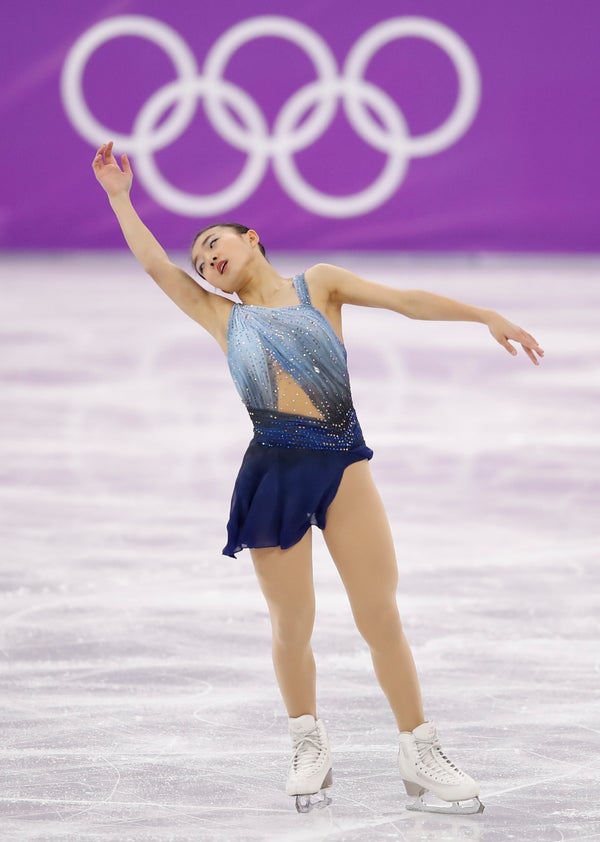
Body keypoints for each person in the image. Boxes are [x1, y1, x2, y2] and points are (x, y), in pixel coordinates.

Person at [92, 140, 544, 815]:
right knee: (291, 624)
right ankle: (307, 741)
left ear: (251, 239)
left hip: (342, 465)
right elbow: (157, 265)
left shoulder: (320, 286)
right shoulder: (223, 316)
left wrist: (483, 314)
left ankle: (418, 747)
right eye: (202, 261)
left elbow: (405, 300)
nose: (207, 259)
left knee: (380, 615)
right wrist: (120, 199)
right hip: (272, 472)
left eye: (215, 243)